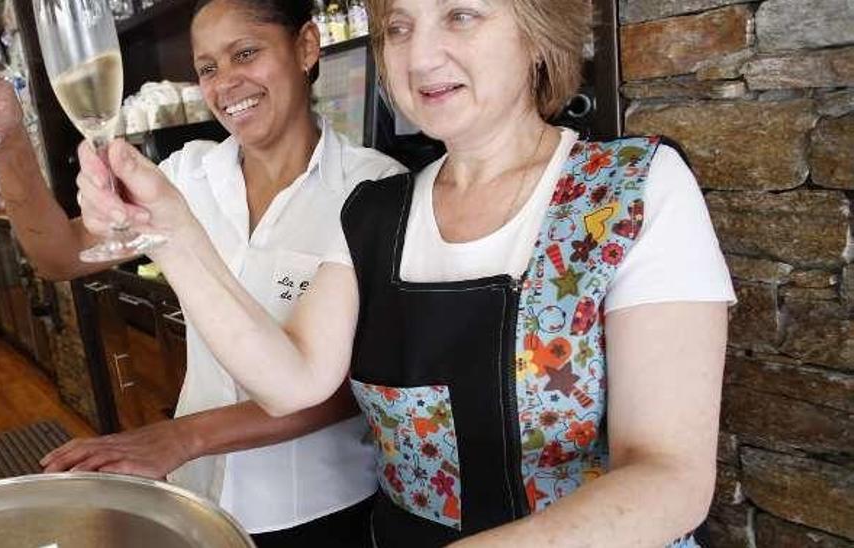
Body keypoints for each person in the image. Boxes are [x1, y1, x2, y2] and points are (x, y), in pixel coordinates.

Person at [72, 0, 737, 546]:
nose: (420, 56)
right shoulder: (376, 211)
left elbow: (670, 478)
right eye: (398, 27)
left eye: (460, 16)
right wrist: (173, 233)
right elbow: (291, 380)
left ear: (537, 32)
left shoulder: (629, 191)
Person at [0, 0, 406, 545]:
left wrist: (186, 435)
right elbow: (58, 256)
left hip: (319, 509)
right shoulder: (185, 174)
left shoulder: (374, 189)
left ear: (306, 47)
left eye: (245, 53)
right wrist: (8, 142)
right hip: (199, 495)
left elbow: (353, 385)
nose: (226, 83)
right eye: (207, 68)